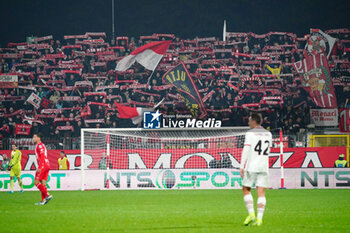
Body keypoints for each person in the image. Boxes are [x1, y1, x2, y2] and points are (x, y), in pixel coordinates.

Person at [240, 113, 272, 226]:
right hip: (264, 166)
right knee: (261, 193)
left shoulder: (250, 133)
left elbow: (246, 149)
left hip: (252, 166)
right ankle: (259, 219)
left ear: (254, 121)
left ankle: (251, 214)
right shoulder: (268, 134)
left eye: (249, 121)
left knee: (246, 189)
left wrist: (241, 166)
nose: (248, 123)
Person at [33, 133, 53, 205]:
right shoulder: (41, 145)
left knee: (36, 182)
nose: (33, 138)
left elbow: (42, 156)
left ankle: (48, 195)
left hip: (43, 165)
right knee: (43, 183)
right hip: (47, 164)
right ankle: (43, 201)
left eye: (35, 137)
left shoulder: (40, 145)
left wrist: (40, 167)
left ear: (39, 138)